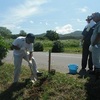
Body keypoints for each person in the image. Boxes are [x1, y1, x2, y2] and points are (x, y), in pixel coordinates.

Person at [90, 12, 100, 77]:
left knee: (95, 58)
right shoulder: (97, 24)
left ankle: (98, 73)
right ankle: (96, 70)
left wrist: (94, 43)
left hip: (97, 44)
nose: (93, 19)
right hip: (96, 44)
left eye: (94, 17)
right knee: (95, 58)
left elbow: (99, 34)